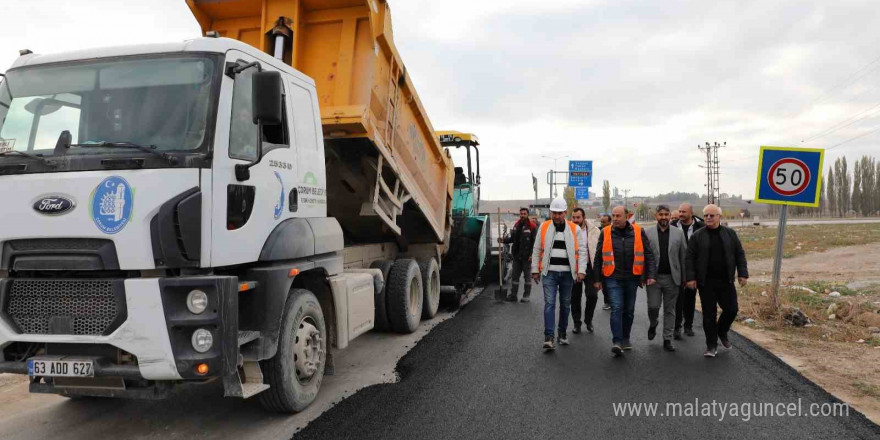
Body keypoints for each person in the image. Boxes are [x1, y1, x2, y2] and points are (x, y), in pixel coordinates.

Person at [685, 204, 748, 358]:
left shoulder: (730, 234)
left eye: (711, 215)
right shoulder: (697, 236)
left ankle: (722, 330)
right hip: (706, 283)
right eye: (706, 215)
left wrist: (743, 273)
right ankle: (711, 345)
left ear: (719, 217)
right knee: (709, 315)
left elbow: (739, 253)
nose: (708, 218)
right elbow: (690, 259)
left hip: (726, 281)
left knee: (732, 309)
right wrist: (691, 278)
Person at [593, 206, 656, 356]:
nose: (614, 219)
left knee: (628, 311)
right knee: (616, 308)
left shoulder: (638, 232)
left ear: (626, 216)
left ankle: (626, 338)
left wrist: (650, 274)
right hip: (612, 277)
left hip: (632, 278)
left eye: (618, 216)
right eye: (613, 216)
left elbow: (648, 254)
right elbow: (598, 257)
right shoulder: (605, 232)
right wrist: (597, 279)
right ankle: (617, 341)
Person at [531, 197, 587, 351]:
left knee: (565, 304)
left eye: (559, 213)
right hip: (549, 273)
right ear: (551, 212)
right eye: (554, 213)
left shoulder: (574, 229)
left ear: (565, 212)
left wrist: (581, 270)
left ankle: (562, 333)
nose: (556, 216)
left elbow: (582, 251)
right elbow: (536, 250)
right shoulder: (544, 227)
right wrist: (535, 270)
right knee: (549, 303)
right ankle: (548, 337)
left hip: (568, 274)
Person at [644, 205, 688, 351]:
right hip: (653, 279)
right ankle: (653, 323)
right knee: (653, 307)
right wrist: (643, 276)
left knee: (670, 310)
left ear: (670, 216)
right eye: (660, 214)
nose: (663, 217)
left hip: (672, 278)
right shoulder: (647, 232)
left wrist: (685, 278)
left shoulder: (678, 234)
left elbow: (683, 257)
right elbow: (643, 256)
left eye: (666, 214)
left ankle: (667, 339)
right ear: (656, 216)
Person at [671, 202, 705, 339]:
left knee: (690, 299)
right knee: (677, 300)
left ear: (691, 213)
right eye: (679, 211)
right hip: (677, 269)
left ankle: (688, 326)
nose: (680, 214)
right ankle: (677, 327)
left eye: (684, 212)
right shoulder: (672, 226)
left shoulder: (701, 227)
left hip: (693, 269)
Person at [569, 208, 600, 334]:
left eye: (578, 217)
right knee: (574, 297)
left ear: (584, 217)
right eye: (574, 218)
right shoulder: (568, 230)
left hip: (590, 268)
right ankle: (577, 323)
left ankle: (588, 320)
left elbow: (599, 251)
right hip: (574, 268)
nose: (576, 220)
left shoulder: (594, 231)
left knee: (592, 295)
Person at [501, 207, 537, 302]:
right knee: (515, 276)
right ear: (519, 214)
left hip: (527, 257)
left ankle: (526, 296)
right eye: (521, 214)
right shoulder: (516, 225)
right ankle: (513, 296)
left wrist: (532, 255)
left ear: (527, 215)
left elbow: (535, 242)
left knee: (527, 277)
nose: (522, 215)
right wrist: (503, 240)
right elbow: (512, 238)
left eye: (524, 214)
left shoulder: (532, 226)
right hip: (517, 256)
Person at [598, 214, 613, 310]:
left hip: (612, 264)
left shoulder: (614, 232)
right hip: (602, 264)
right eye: (601, 222)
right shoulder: (598, 231)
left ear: (609, 222)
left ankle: (613, 301)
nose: (602, 224)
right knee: (604, 285)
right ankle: (607, 302)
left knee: (612, 285)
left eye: (604, 222)